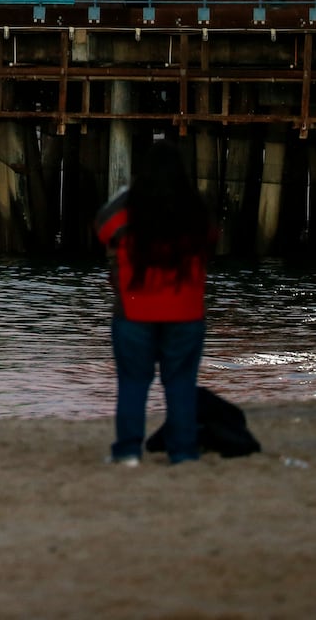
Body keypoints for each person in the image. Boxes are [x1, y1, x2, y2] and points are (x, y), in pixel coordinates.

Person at [95, 140, 217, 466]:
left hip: (135, 311)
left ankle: (129, 452)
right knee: (180, 384)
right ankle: (183, 452)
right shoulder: (195, 209)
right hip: (186, 312)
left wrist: (126, 193)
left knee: (133, 382)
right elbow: (212, 239)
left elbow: (103, 228)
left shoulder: (128, 207)